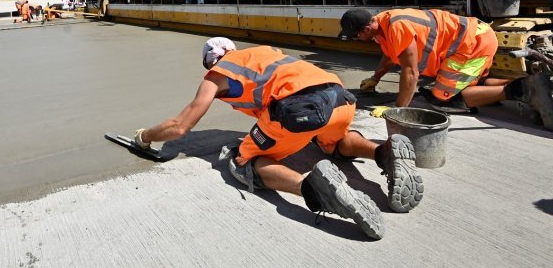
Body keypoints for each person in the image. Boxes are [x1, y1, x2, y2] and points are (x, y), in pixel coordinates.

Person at [133, 38, 424, 239]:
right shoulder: (265, 51)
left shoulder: (216, 75)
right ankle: (384, 152)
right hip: (340, 97)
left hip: (297, 109)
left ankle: (312, 188)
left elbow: (181, 126)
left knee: (246, 161)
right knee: (334, 142)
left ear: (210, 63)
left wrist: (144, 136)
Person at [339, 8, 553, 126]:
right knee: (473, 83)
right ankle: (534, 84)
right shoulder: (382, 25)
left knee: (445, 97)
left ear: (367, 27)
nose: (357, 39)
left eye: (357, 34)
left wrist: (398, 108)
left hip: (471, 45)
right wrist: (376, 78)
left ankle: (525, 91)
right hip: (474, 38)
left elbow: (410, 72)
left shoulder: (397, 27)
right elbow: (390, 54)